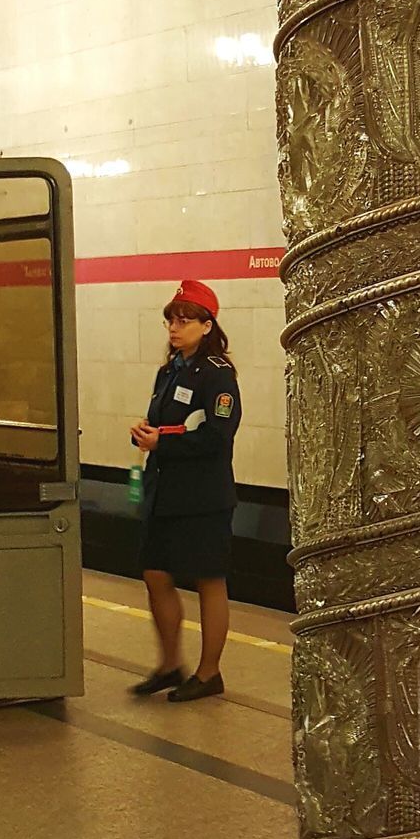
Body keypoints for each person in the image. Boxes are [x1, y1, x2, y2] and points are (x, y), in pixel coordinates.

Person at [129, 279, 241, 702]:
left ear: (207, 325)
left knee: (209, 579)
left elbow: (218, 436)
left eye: (184, 320)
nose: (174, 328)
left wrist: (165, 443)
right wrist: (144, 433)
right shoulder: (169, 371)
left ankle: (209, 673)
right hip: (166, 491)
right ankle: (170, 664)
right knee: (155, 573)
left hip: (203, 496)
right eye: (170, 320)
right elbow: (166, 423)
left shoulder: (218, 376)